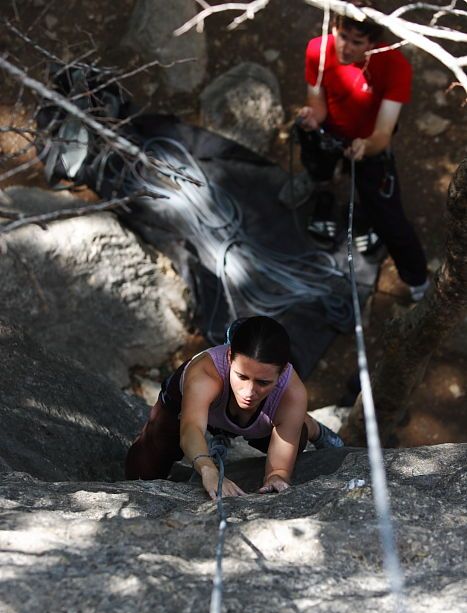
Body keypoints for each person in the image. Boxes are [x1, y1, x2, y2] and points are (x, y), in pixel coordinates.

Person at [125, 316, 343, 499]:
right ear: (229, 357)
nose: (249, 392)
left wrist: (276, 478)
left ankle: (311, 425)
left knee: (298, 437)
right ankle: (222, 431)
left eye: (263, 382)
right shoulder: (204, 374)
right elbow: (190, 428)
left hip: (255, 419)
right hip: (192, 406)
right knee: (141, 471)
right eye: (242, 376)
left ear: (283, 371)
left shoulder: (292, 393)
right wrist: (207, 468)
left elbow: (279, 469)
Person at [297, 2, 429, 302]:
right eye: (342, 36)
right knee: (316, 163)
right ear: (334, 29)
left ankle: (418, 281)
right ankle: (325, 195)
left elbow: (383, 132)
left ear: (373, 44)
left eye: (357, 42)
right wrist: (312, 118)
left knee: (389, 215)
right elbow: (317, 102)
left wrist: (367, 146)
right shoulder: (318, 50)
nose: (345, 48)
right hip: (330, 132)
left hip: (368, 144)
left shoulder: (395, 67)